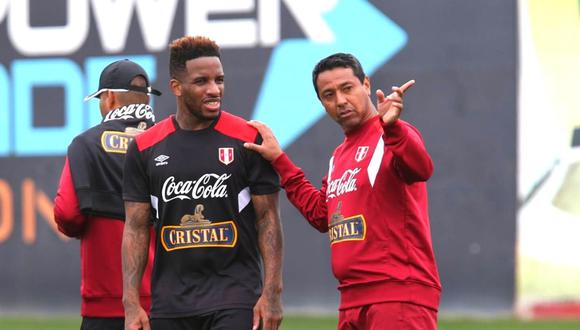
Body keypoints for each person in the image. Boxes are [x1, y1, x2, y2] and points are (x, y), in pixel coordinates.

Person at [244, 53, 441, 329]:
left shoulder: (394, 133)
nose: (340, 100)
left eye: (347, 88)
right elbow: (321, 215)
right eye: (329, 94)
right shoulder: (339, 155)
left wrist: (394, 128)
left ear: (367, 85)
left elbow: (421, 169)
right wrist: (279, 160)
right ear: (321, 103)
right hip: (351, 300)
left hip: (397, 295)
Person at [121, 36, 283, 330]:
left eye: (219, 80)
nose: (214, 90)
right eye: (201, 81)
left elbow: (267, 219)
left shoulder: (249, 138)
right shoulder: (145, 147)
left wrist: (271, 293)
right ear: (176, 87)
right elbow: (135, 227)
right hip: (170, 304)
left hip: (235, 298)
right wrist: (131, 303)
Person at [54, 59, 161, 329]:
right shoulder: (169, 141)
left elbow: (68, 215)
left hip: (106, 304)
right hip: (169, 302)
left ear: (110, 97)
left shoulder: (85, 144)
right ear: (146, 100)